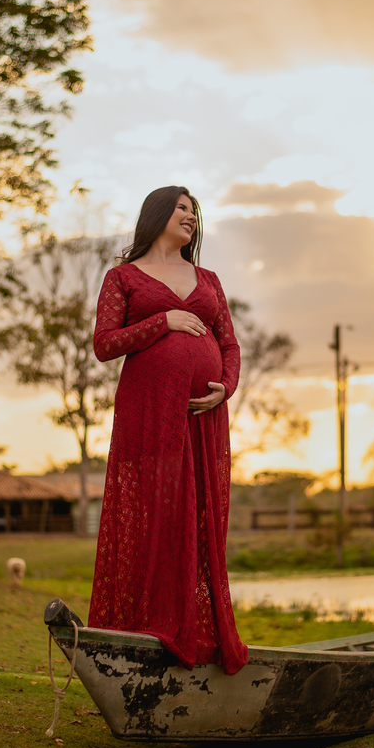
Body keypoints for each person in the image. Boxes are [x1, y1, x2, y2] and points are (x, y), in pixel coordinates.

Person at [89, 185, 249, 675]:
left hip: (203, 419)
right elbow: (105, 344)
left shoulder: (209, 280)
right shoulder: (123, 277)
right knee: (155, 514)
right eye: (182, 207)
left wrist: (226, 386)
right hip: (148, 415)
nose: (191, 216)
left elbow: (231, 345)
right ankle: (145, 628)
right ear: (157, 213)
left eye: (195, 211)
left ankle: (196, 630)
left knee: (199, 518)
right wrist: (164, 321)